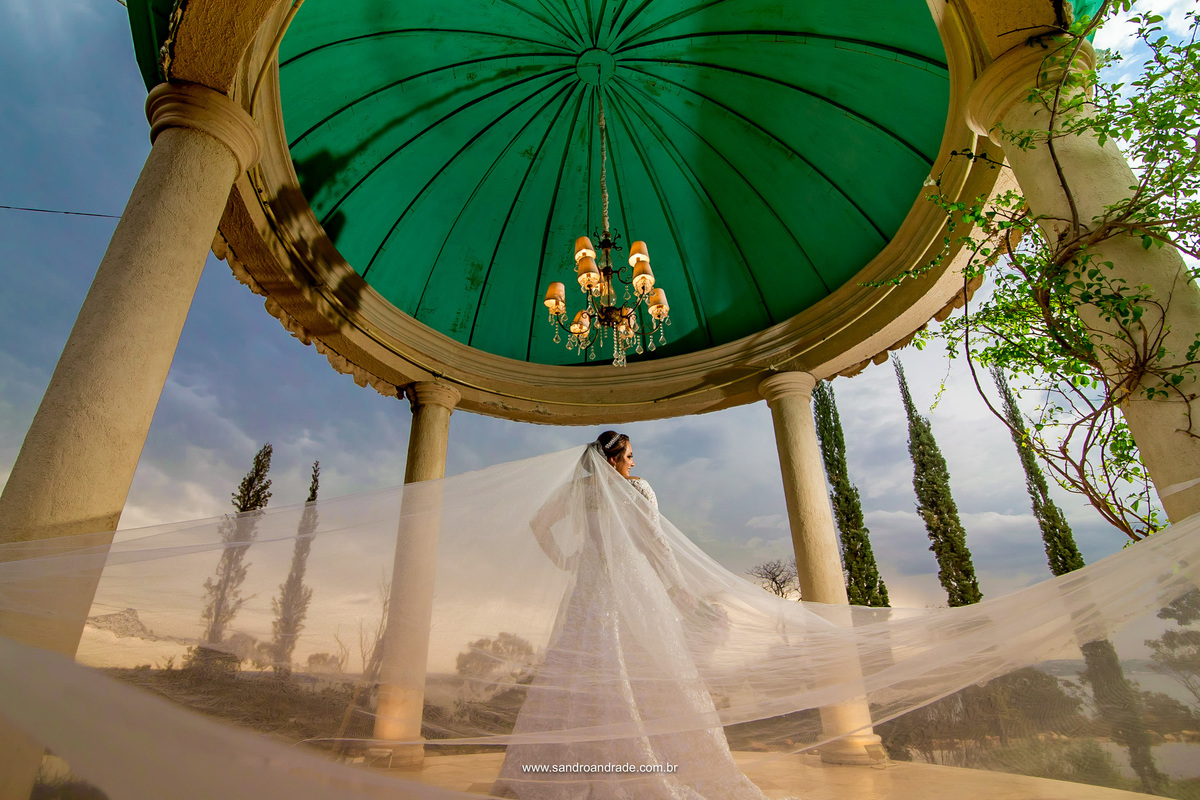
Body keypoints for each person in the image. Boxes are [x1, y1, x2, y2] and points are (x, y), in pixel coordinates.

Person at [491, 431, 776, 799]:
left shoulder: (580, 489)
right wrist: (676, 588)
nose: (634, 463)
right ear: (612, 460)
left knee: (580, 670)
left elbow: (538, 524)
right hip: (630, 583)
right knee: (651, 667)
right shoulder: (638, 489)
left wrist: (564, 560)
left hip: (588, 585)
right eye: (629, 456)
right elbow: (655, 543)